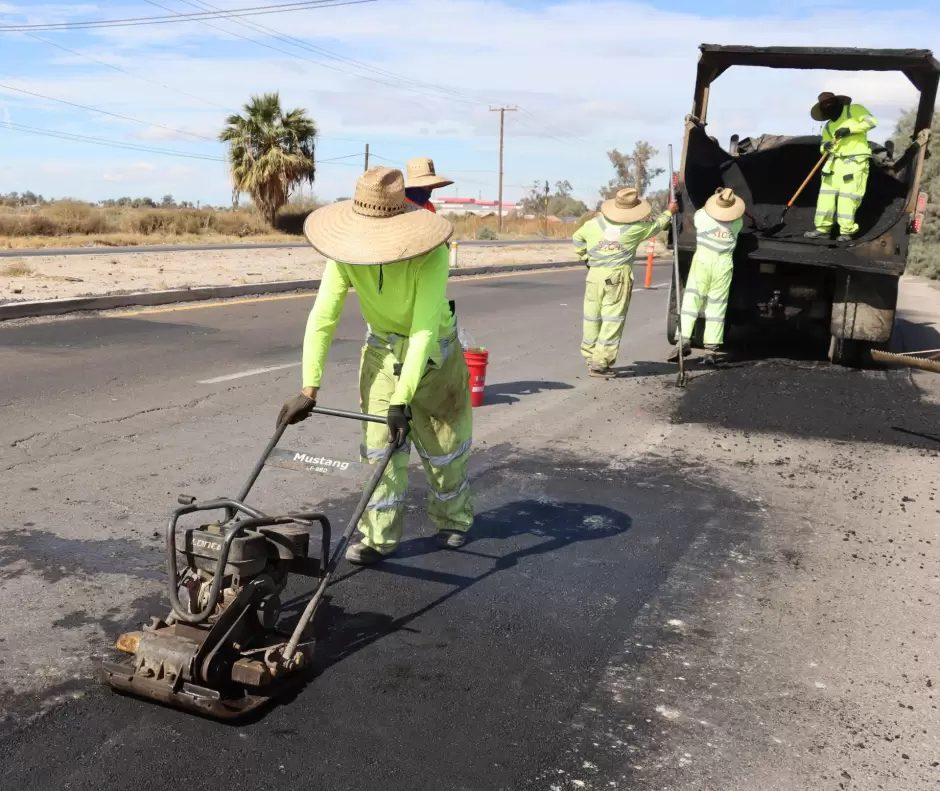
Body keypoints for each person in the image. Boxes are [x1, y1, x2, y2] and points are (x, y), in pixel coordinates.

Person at [278, 167, 473, 566]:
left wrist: (402, 400)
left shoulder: (431, 253)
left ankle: (454, 518)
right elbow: (323, 316)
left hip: (434, 357)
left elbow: (422, 329)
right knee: (379, 450)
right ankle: (379, 538)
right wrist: (308, 388)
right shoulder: (347, 252)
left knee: (443, 450)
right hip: (382, 352)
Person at [574, 188, 678, 377]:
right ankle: (601, 362)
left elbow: (577, 239)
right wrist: (670, 211)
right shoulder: (636, 229)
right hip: (617, 277)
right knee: (612, 319)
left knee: (592, 316)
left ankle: (590, 356)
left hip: (595, 274)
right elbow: (658, 225)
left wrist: (586, 258)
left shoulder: (592, 224)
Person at [668, 187, 745, 365]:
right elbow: (734, 215)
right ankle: (711, 349)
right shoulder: (737, 223)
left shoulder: (702, 218)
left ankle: (684, 339)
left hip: (703, 261)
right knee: (716, 306)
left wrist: (716, 195)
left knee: (691, 300)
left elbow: (705, 209)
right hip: (723, 265)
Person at [804, 91, 878, 242]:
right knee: (826, 196)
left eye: (830, 104)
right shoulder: (829, 126)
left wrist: (850, 130)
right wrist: (827, 146)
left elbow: (872, 122)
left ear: (838, 103)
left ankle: (846, 232)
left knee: (848, 196)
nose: (828, 108)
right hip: (834, 162)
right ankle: (822, 229)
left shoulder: (854, 110)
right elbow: (822, 147)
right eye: (824, 107)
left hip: (855, 160)